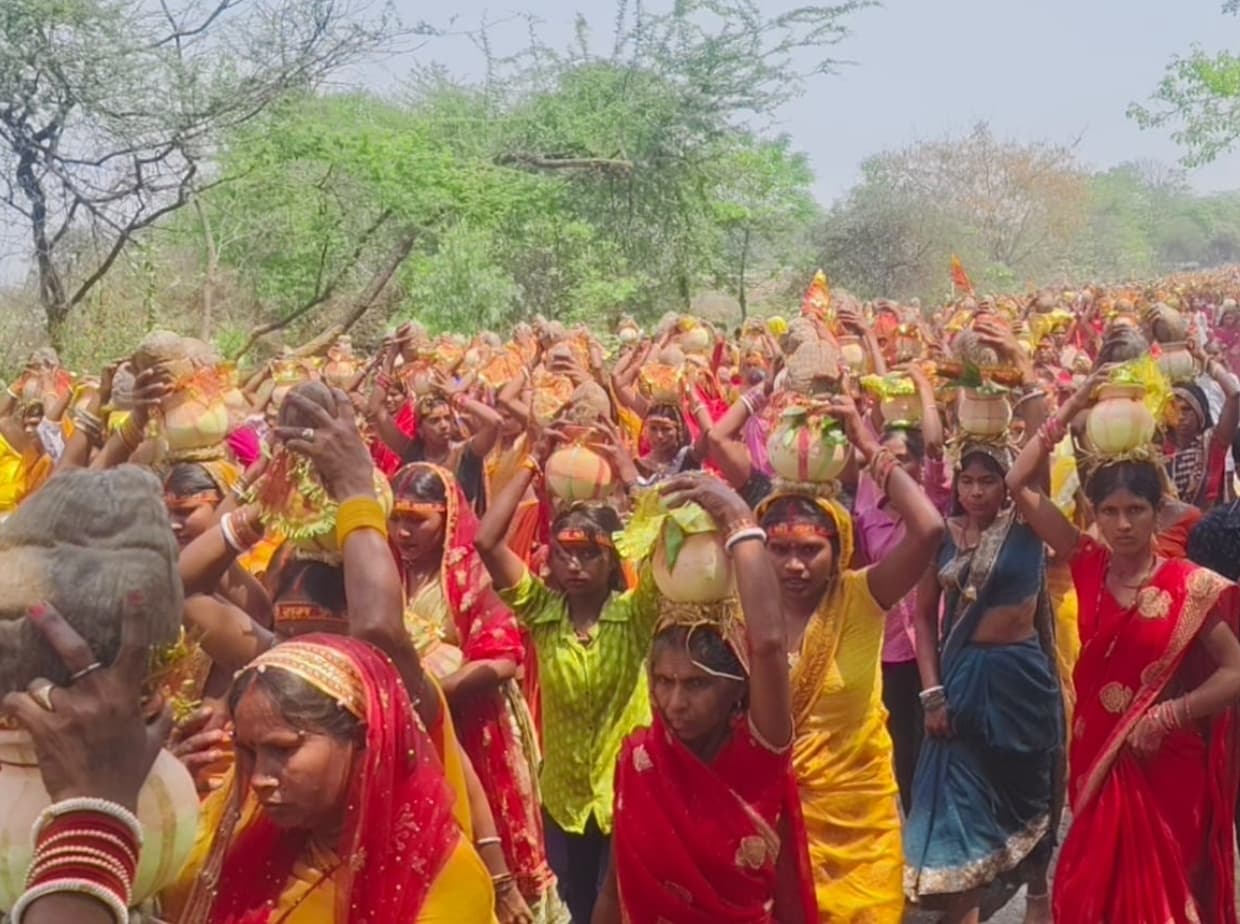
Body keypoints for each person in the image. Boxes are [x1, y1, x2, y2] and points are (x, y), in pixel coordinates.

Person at [1008, 377, 1240, 924]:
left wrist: (1172, 713)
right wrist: (1069, 406)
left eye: (1135, 509)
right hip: (1099, 757)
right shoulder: (1086, 561)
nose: (1122, 524)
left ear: (1157, 510)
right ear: (1093, 513)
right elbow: (1018, 483)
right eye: (1109, 511)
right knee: (1090, 886)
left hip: (1167, 765)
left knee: (1163, 901)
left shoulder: (1190, 584)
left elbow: (1235, 670)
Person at [593, 473, 816, 924]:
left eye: (697, 685)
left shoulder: (759, 751)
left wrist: (737, 520)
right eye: (664, 681)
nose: (675, 702)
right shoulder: (639, 760)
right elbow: (615, 891)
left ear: (737, 687)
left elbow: (770, 642)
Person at [757, 393, 944, 923]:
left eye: (810, 550)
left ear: (838, 550)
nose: (794, 565)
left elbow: (928, 528)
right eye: (780, 549)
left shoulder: (863, 596)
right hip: (779, 820)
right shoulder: (747, 613)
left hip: (859, 817)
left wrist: (867, 445)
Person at [476, 429, 657, 924]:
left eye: (590, 554)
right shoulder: (542, 611)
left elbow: (666, 547)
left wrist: (628, 475)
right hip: (563, 801)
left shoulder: (637, 614)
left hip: (627, 796)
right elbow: (485, 539)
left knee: (620, 909)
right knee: (576, 911)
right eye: (564, 554)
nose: (574, 565)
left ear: (613, 558)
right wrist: (532, 462)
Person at [391, 461, 563, 924]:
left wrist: (432, 692)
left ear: (446, 518)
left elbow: (505, 659)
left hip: (475, 723)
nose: (404, 532)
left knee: (490, 842)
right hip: (412, 727)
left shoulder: (472, 571)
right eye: (397, 519)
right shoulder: (388, 574)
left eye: (416, 520)